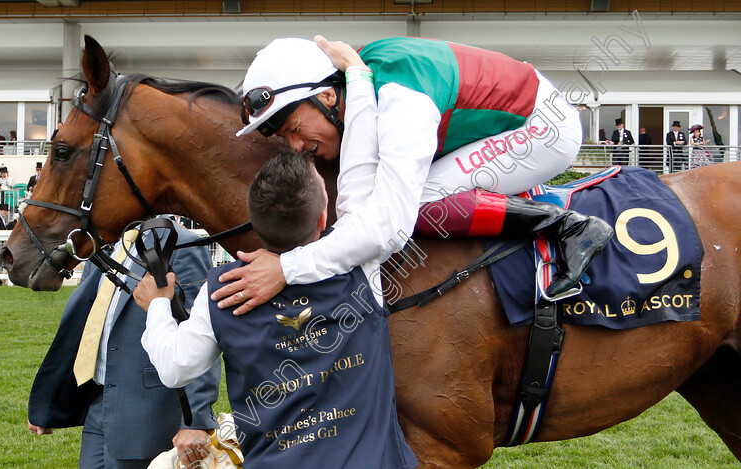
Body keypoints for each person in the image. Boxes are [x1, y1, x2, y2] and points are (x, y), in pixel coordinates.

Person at [222, 36, 612, 312]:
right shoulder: (356, 77)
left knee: (420, 201)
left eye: (292, 128)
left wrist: (287, 269)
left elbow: (388, 228)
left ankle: (566, 226)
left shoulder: (400, 101)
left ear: (326, 97)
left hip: (543, 127)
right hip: (515, 107)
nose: (294, 146)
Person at [137, 151, 418, 469]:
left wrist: (158, 303)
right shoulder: (361, 263)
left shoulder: (223, 287)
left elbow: (175, 367)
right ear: (323, 218)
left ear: (255, 221)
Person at [28, 218, 221, 468]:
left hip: (149, 415)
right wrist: (49, 403)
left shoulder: (182, 243)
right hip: (99, 406)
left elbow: (199, 334)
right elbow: (84, 325)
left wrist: (195, 421)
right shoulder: (107, 242)